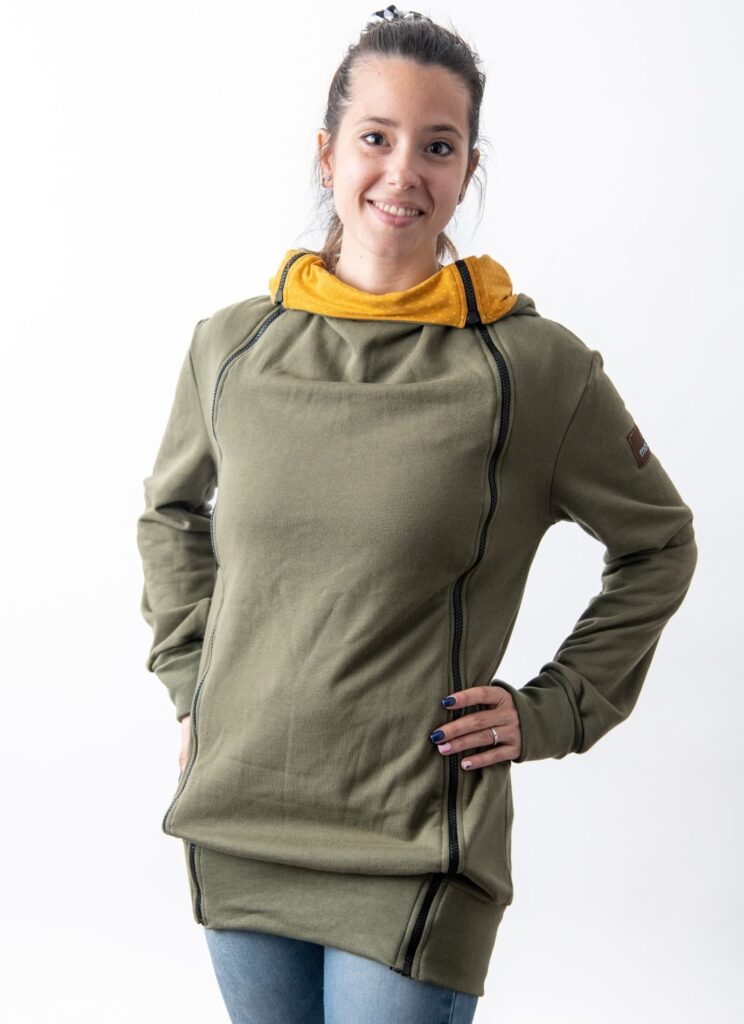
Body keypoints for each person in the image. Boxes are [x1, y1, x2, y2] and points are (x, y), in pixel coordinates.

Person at [136, 6, 698, 1022]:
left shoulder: (534, 370)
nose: (403, 172)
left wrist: (555, 707)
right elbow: (170, 511)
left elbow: (658, 541)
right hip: (238, 820)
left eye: (438, 146)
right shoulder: (231, 348)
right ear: (327, 153)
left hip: (416, 843)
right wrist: (191, 682)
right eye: (376, 137)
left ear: (468, 169)